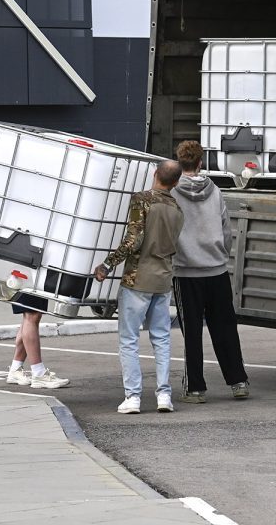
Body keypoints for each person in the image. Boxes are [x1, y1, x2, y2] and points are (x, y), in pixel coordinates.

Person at [94, 160, 184, 414]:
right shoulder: (177, 208)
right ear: (175, 182)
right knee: (162, 338)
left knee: (129, 339)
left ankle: (133, 396)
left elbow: (133, 240)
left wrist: (107, 264)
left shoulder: (142, 200)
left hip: (138, 277)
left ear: (155, 174)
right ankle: (164, 394)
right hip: (163, 279)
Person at [171, 141, 250, 403]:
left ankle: (195, 388)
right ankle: (238, 381)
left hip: (186, 271)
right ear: (201, 162)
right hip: (216, 269)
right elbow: (226, 227)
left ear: (179, 162)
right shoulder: (214, 190)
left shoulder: (172, 192)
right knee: (225, 327)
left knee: (191, 332)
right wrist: (221, 254)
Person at [4, 292, 70, 389]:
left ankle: (15, 369)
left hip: (27, 278)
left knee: (32, 315)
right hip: (26, 278)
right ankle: (39, 374)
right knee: (32, 315)